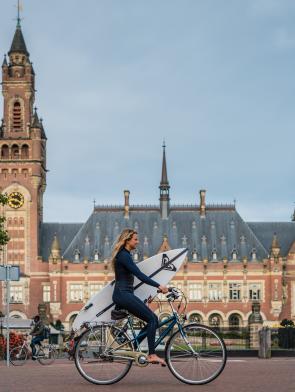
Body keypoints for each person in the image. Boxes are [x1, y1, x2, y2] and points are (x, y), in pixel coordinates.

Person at [111, 228, 168, 366]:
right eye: (135, 239)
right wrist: (158, 286)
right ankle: (152, 355)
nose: (138, 241)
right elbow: (140, 275)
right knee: (152, 319)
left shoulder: (125, 255)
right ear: (127, 240)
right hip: (123, 295)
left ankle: (133, 348)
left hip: (125, 294)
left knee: (153, 319)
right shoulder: (124, 255)